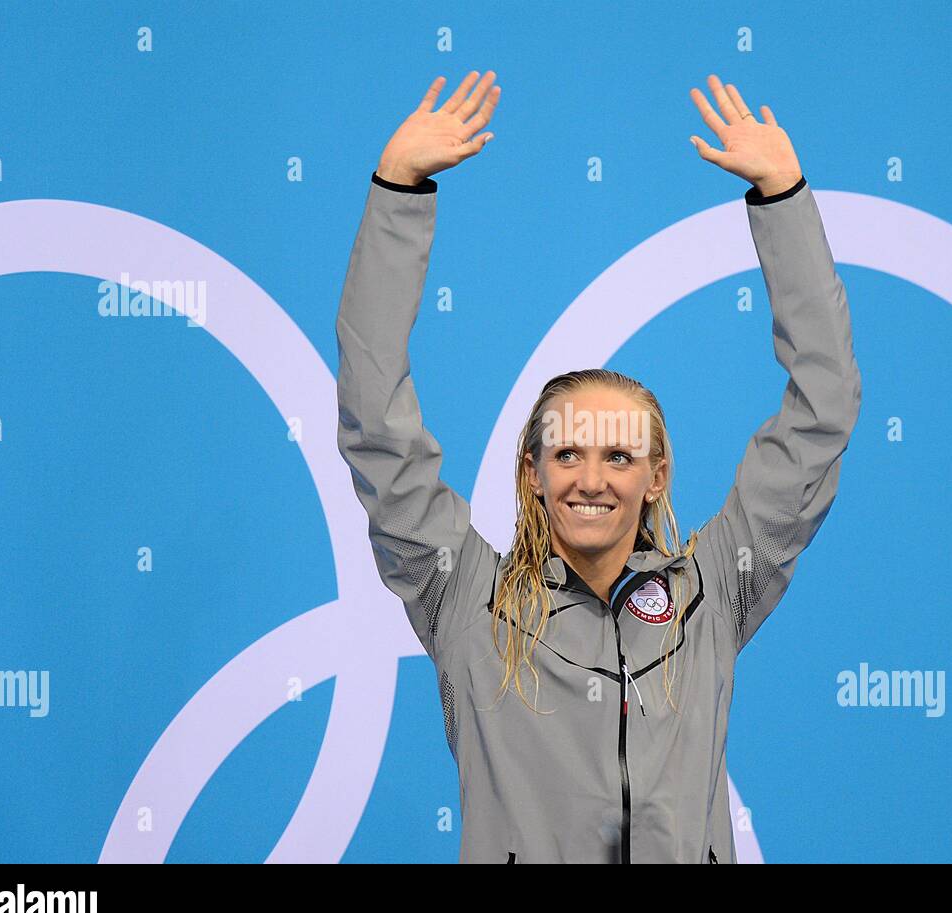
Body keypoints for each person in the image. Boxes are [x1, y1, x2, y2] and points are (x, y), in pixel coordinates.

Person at [335, 70, 863, 863]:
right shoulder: (463, 599)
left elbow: (823, 410)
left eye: (619, 455)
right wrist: (398, 191)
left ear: (655, 476)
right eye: (569, 452)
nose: (592, 478)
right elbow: (375, 415)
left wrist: (783, 199)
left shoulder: (713, 592)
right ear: (533, 470)